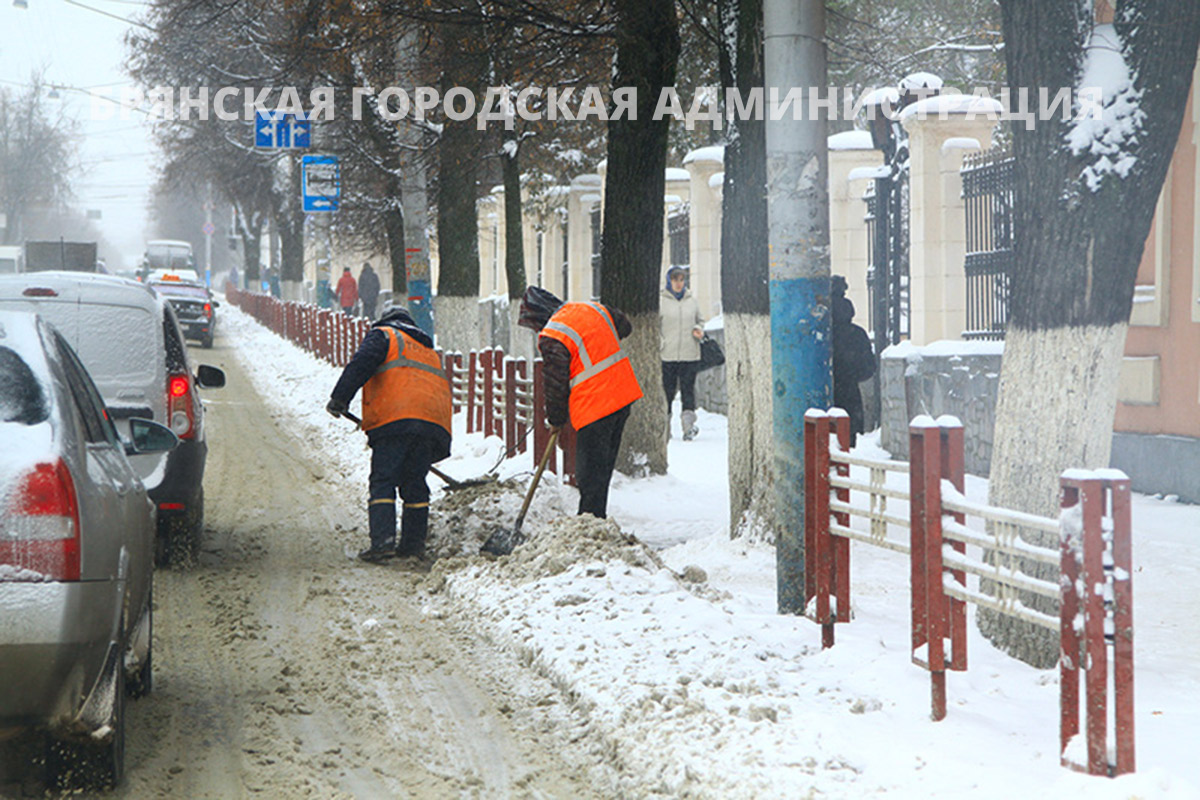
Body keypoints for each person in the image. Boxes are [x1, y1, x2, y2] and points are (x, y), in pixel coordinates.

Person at [325, 307, 452, 562]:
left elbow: (361, 364)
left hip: (397, 418)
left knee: (384, 480)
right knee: (415, 483)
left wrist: (339, 397)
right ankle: (413, 546)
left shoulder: (384, 335)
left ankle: (382, 543)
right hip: (432, 423)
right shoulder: (427, 350)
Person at [517, 286, 642, 519]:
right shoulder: (591, 308)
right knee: (602, 469)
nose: (537, 330)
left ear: (539, 316)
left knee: (589, 474)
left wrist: (555, 419)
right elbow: (625, 326)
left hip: (595, 405)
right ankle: (596, 521)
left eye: (534, 325)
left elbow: (555, 384)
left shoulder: (553, 334)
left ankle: (589, 524)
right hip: (623, 395)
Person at [659, 266, 704, 441]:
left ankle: (688, 427)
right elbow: (655, 325)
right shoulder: (661, 301)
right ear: (669, 281)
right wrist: (661, 343)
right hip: (667, 355)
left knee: (688, 391)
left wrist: (698, 329)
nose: (678, 284)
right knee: (667, 392)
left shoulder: (692, 300)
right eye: (675, 280)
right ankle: (665, 428)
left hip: (689, 354)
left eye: (681, 280)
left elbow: (700, 320)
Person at [830, 275, 877, 447]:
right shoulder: (857, 333)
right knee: (847, 441)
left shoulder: (821, 332)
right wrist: (851, 375)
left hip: (826, 389)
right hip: (849, 391)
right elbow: (869, 367)